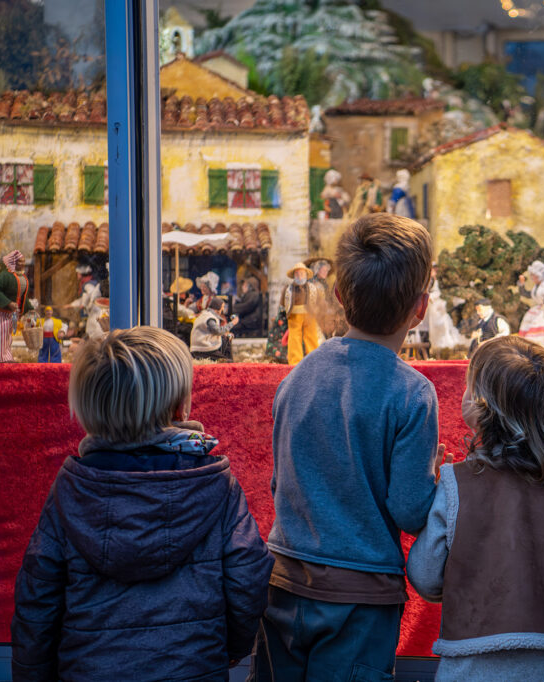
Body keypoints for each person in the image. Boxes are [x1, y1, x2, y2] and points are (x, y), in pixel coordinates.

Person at [11, 326, 273, 681]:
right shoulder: (216, 485)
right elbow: (248, 580)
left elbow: (36, 600)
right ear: (178, 406)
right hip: (193, 669)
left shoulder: (71, 488)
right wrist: (232, 649)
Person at [249, 213, 442, 682]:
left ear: (338, 295)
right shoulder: (414, 394)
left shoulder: (295, 379)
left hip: (283, 584)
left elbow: (281, 481)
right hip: (362, 600)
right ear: (420, 309)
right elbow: (412, 511)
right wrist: (441, 478)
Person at [407, 336, 544, 681]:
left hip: (469, 668)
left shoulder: (453, 484)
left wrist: (427, 498)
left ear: (479, 408)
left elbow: (425, 577)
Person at [0, 250, 32, 362]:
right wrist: (8, 303)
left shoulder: (22, 277)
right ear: (13, 262)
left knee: (8, 333)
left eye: (23, 261)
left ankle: (7, 356)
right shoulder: (5, 276)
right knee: (3, 330)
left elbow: (23, 297)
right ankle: (3, 358)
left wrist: (30, 309)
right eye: (19, 262)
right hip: (1, 309)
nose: (22, 264)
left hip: (12, 311)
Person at [281, 262, 322, 365]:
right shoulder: (288, 289)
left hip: (309, 315)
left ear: (306, 275)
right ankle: (295, 361)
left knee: (311, 337)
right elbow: (283, 302)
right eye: (297, 274)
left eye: (302, 274)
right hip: (294, 315)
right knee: (294, 338)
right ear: (294, 276)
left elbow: (318, 301)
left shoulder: (312, 288)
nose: (299, 276)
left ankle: (314, 360)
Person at [517, 260, 544, 350]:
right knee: (529, 330)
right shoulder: (536, 286)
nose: (532, 277)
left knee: (542, 334)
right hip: (537, 310)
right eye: (531, 275)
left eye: (533, 275)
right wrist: (522, 284)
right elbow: (527, 294)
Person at [190, 297, 237, 361]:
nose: (223, 309)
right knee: (226, 361)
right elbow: (218, 331)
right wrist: (232, 323)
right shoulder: (209, 317)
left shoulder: (204, 314)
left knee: (225, 339)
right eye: (222, 307)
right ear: (218, 307)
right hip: (204, 348)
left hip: (199, 346)